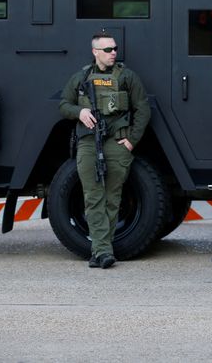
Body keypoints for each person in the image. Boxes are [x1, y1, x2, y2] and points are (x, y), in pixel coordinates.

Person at [59, 32, 150, 269]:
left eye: (115, 49)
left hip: (117, 142)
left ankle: (100, 251)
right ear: (95, 52)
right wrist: (79, 112)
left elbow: (143, 110)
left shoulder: (127, 77)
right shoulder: (82, 77)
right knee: (93, 196)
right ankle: (102, 250)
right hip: (89, 141)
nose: (113, 53)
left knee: (112, 197)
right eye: (107, 50)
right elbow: (63, 104)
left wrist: (131, 141)